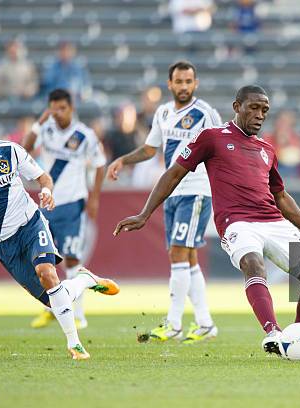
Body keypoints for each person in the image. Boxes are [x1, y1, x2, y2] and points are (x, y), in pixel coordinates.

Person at [113, 85, 300, 358]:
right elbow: (174, 173)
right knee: (253, 263)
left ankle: (297, 344)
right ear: (237, 107)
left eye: (265, 110)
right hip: (237, 222)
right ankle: (273, 333)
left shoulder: (267, 149)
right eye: (254, 108)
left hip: (272, 220)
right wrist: (144, 213)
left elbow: (281, 197)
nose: (260, 115)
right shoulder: (212, 137)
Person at [0, 102, 118, 360]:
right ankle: (84, 280)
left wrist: (46, 190)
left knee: (47, 272)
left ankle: (75, 344)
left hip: (31, 222)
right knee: (54, 300)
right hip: (2, 243)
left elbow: (43, 177)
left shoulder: (9, 151)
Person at [107, 61, 220, 344]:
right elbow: (149, 148)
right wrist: (123, 159)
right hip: (171, 191)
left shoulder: (206, 113)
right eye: (178, 81)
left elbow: (223, 148)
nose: (183, 86)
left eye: (188, 81)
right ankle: (205, 322)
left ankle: (173, 324)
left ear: (196, 84)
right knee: (188, 257)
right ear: (169, 84)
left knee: (178, 254)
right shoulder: (164, 112)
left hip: (195, 190)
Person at [23, 89, 107, 330]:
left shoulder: (85, 135)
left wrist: (94, 198)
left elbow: (101, 165)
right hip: (48, 203)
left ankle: (78, 316)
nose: (58, 113)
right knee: (42, 258)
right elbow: (24, 149)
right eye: (54, 108)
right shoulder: (46, 130)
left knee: (71, 257)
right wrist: (39, 122)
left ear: (71, 109)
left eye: (62, 108)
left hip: (72, 204)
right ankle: (51, 307)